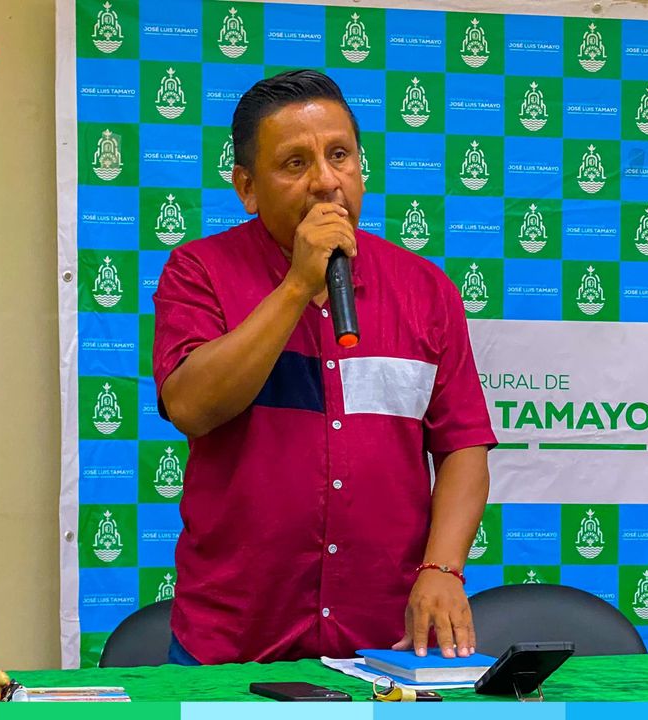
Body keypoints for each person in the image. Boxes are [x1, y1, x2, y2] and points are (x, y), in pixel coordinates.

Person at [153, 70, 496, 666]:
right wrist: (297, 285)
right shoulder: (199, 271)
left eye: (340, 155)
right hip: (233, 643)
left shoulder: (425, 288)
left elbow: (462, 444)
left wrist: (443, 568)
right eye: (295, 163)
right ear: (247, 188)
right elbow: (190, 406)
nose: (325, 181)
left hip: (386, 643)